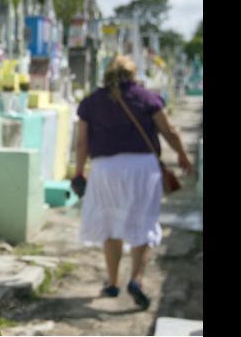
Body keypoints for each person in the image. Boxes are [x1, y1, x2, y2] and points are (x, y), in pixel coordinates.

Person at [72, 55, 193, 309]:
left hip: (105, 169)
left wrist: (79, 171)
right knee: (143, 221)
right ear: (133, 74)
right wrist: (182, 155)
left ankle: (113, 282)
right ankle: (136, 279)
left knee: (110, 224)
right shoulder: (146, 98)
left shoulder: (91, 102)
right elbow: (169, 130)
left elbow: (82, 142)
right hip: (142, 168)